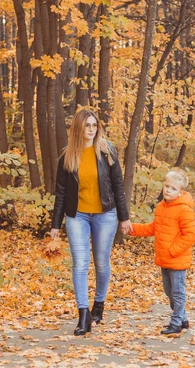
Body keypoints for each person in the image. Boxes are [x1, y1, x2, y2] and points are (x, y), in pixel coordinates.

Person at [50, 109, 132, 336]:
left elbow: (118, 186)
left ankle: (99, 304)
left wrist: (124, 218)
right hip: (77, 216)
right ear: (78, 128)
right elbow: (61, 192)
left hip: (105, 215)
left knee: (101, 263)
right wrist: (55, 224)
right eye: (87, 125)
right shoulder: (67, 156)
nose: (91, 129)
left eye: (94, 125)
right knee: (80, 263)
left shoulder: (107, 151)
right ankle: (83, 314)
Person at [127, 168, 195, 335]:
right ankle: (183, 318)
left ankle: (176, 323)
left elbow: (191, 235)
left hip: (176, 259)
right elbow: (153, 228)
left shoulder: (184, 209)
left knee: (177, 292)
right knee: (168, 290)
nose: (168, 190)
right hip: (164, 258)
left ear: (180, 192)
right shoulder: (161, 207)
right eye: (166, 186)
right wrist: (132, 229)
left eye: (173, 188)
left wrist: (173, 250)